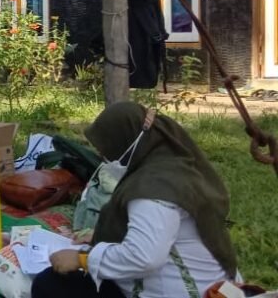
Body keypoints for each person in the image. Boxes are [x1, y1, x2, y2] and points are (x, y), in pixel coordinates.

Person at [33, 102, 238, 298]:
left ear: (124, 143)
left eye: (106, 150)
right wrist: (103, 236)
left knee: (51, 284)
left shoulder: (153, 188)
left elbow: (144, 257)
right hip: (211, 282)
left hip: (180, 291)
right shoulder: (175, 167)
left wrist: (82, 259)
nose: (104, 158)